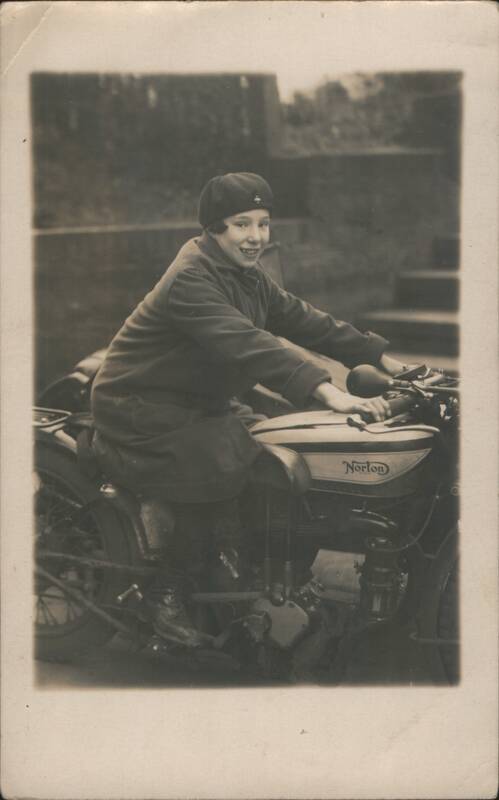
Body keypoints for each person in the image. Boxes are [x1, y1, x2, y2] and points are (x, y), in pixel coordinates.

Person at [91, 172, 405, 646]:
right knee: (216, 467)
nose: (256, 237)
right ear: (215, 229)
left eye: (263, 223)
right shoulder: (191, 278)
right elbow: (251, 345)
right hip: (141, 405)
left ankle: (244, 565)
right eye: (242, 224)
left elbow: (301, 317)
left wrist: (381, 356)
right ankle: (167, 594)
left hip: (200, 402)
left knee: (278, 451)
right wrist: (330, 391)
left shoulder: (243, 275)